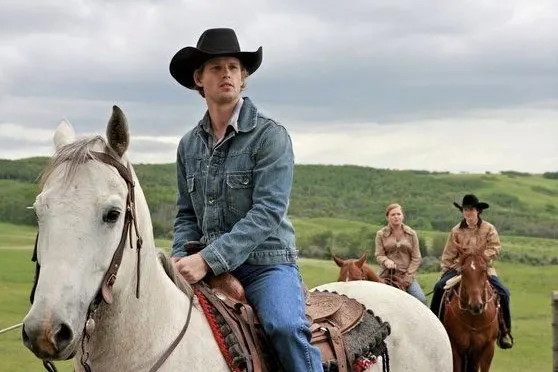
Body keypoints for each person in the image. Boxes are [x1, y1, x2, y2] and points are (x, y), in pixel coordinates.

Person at [168, 28, 323, 371]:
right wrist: (180, 254)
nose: (226, 74)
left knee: (285, 328)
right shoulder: (188, 146)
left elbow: (267, 212)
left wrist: (207, 260)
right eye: (216, 68)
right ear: (199, 79)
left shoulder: (270, 136)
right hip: (201, 262)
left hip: (265, 263)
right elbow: (185, 215)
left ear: (243, 77)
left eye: (233, 67)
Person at [429, 194, 514, 349]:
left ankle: (504, 331)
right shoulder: (456, 230)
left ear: (478, 211)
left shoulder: (489, 229)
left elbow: (495, 247)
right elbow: (448, 253)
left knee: (504, 293)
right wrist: (446, 270)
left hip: (483, 268)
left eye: (471, 209)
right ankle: (435, 327)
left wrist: (481, 258)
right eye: (465, 210)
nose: (468, 213)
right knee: (439, 287)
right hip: (459, 268)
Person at [375, 203, 427, 304]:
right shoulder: (380, 234)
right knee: (373, 298)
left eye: (398, 214)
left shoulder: (411, 234)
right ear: (387, 217)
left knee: (421, 299)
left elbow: (416, 258)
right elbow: (379, 255)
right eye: (393, 215)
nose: (396, 217)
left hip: (406, 274)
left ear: (403, 216)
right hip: (385, 274)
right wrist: (386, 261)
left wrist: (408, 277)